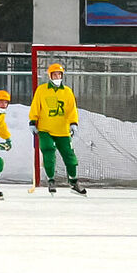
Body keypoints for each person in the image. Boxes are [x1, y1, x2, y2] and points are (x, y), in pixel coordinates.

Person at [29, 63, 85, 195]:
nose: (57, 77)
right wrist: (32, 121)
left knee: (69, 155)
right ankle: (51, 180)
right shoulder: (42, 90)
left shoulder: (67, 91)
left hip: (62, 129)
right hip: (45, 129)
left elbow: (72, 109)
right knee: (48, 151)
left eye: (59, 74)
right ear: (50, 76)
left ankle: (73, 181)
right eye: (55, 74)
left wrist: (73, 123)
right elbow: (36, 106)